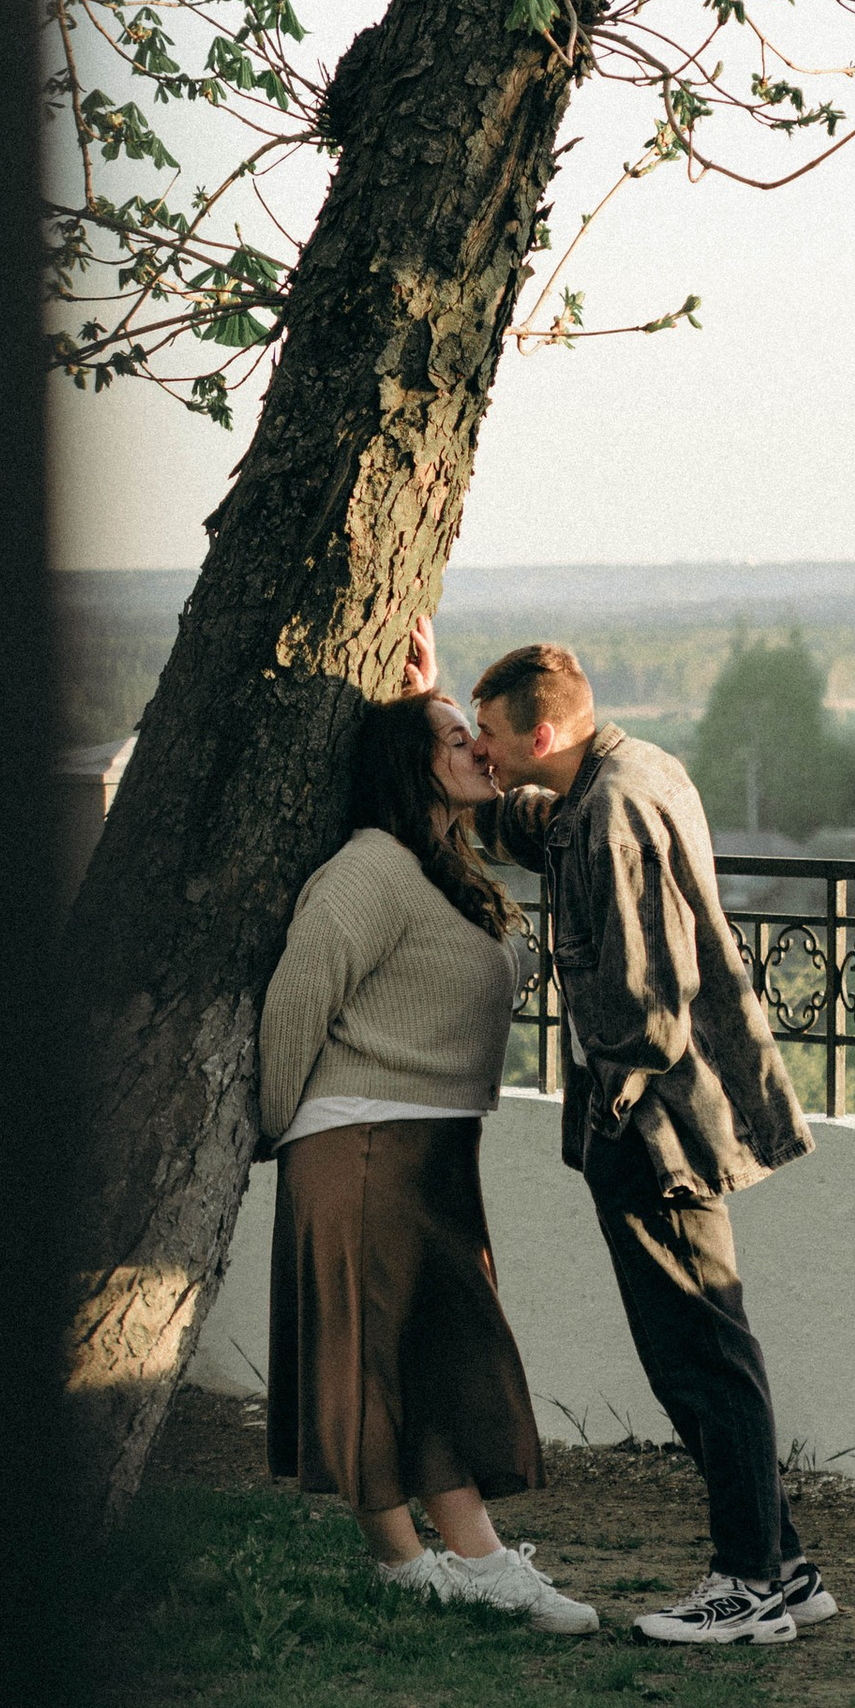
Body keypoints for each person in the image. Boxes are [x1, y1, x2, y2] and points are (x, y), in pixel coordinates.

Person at [471, 643, 835, 1648]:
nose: (486, 754)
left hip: (655, 1124)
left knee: (702, 1351)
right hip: (667, 1113)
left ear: (542, 732)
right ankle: (786, 1568)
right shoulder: (622, 776)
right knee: (705, 1344)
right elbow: (523, 825)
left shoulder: (611, 813)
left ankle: (749, 1583)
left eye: (491, 736)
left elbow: (644, 1003)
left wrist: (609, 1116)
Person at [258, 686, 599, 1634]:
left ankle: (483, 1564)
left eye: (478, 734)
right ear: (410, 764)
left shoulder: (452, 865)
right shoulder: (371, 868)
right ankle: (404, 1570)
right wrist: (276, 1128)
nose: (479, 749)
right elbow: (298, 997)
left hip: (437, 1145)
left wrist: (440, 686)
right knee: (368, 1364)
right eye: (455, 739)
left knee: (448, 1362)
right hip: (361, 1142)